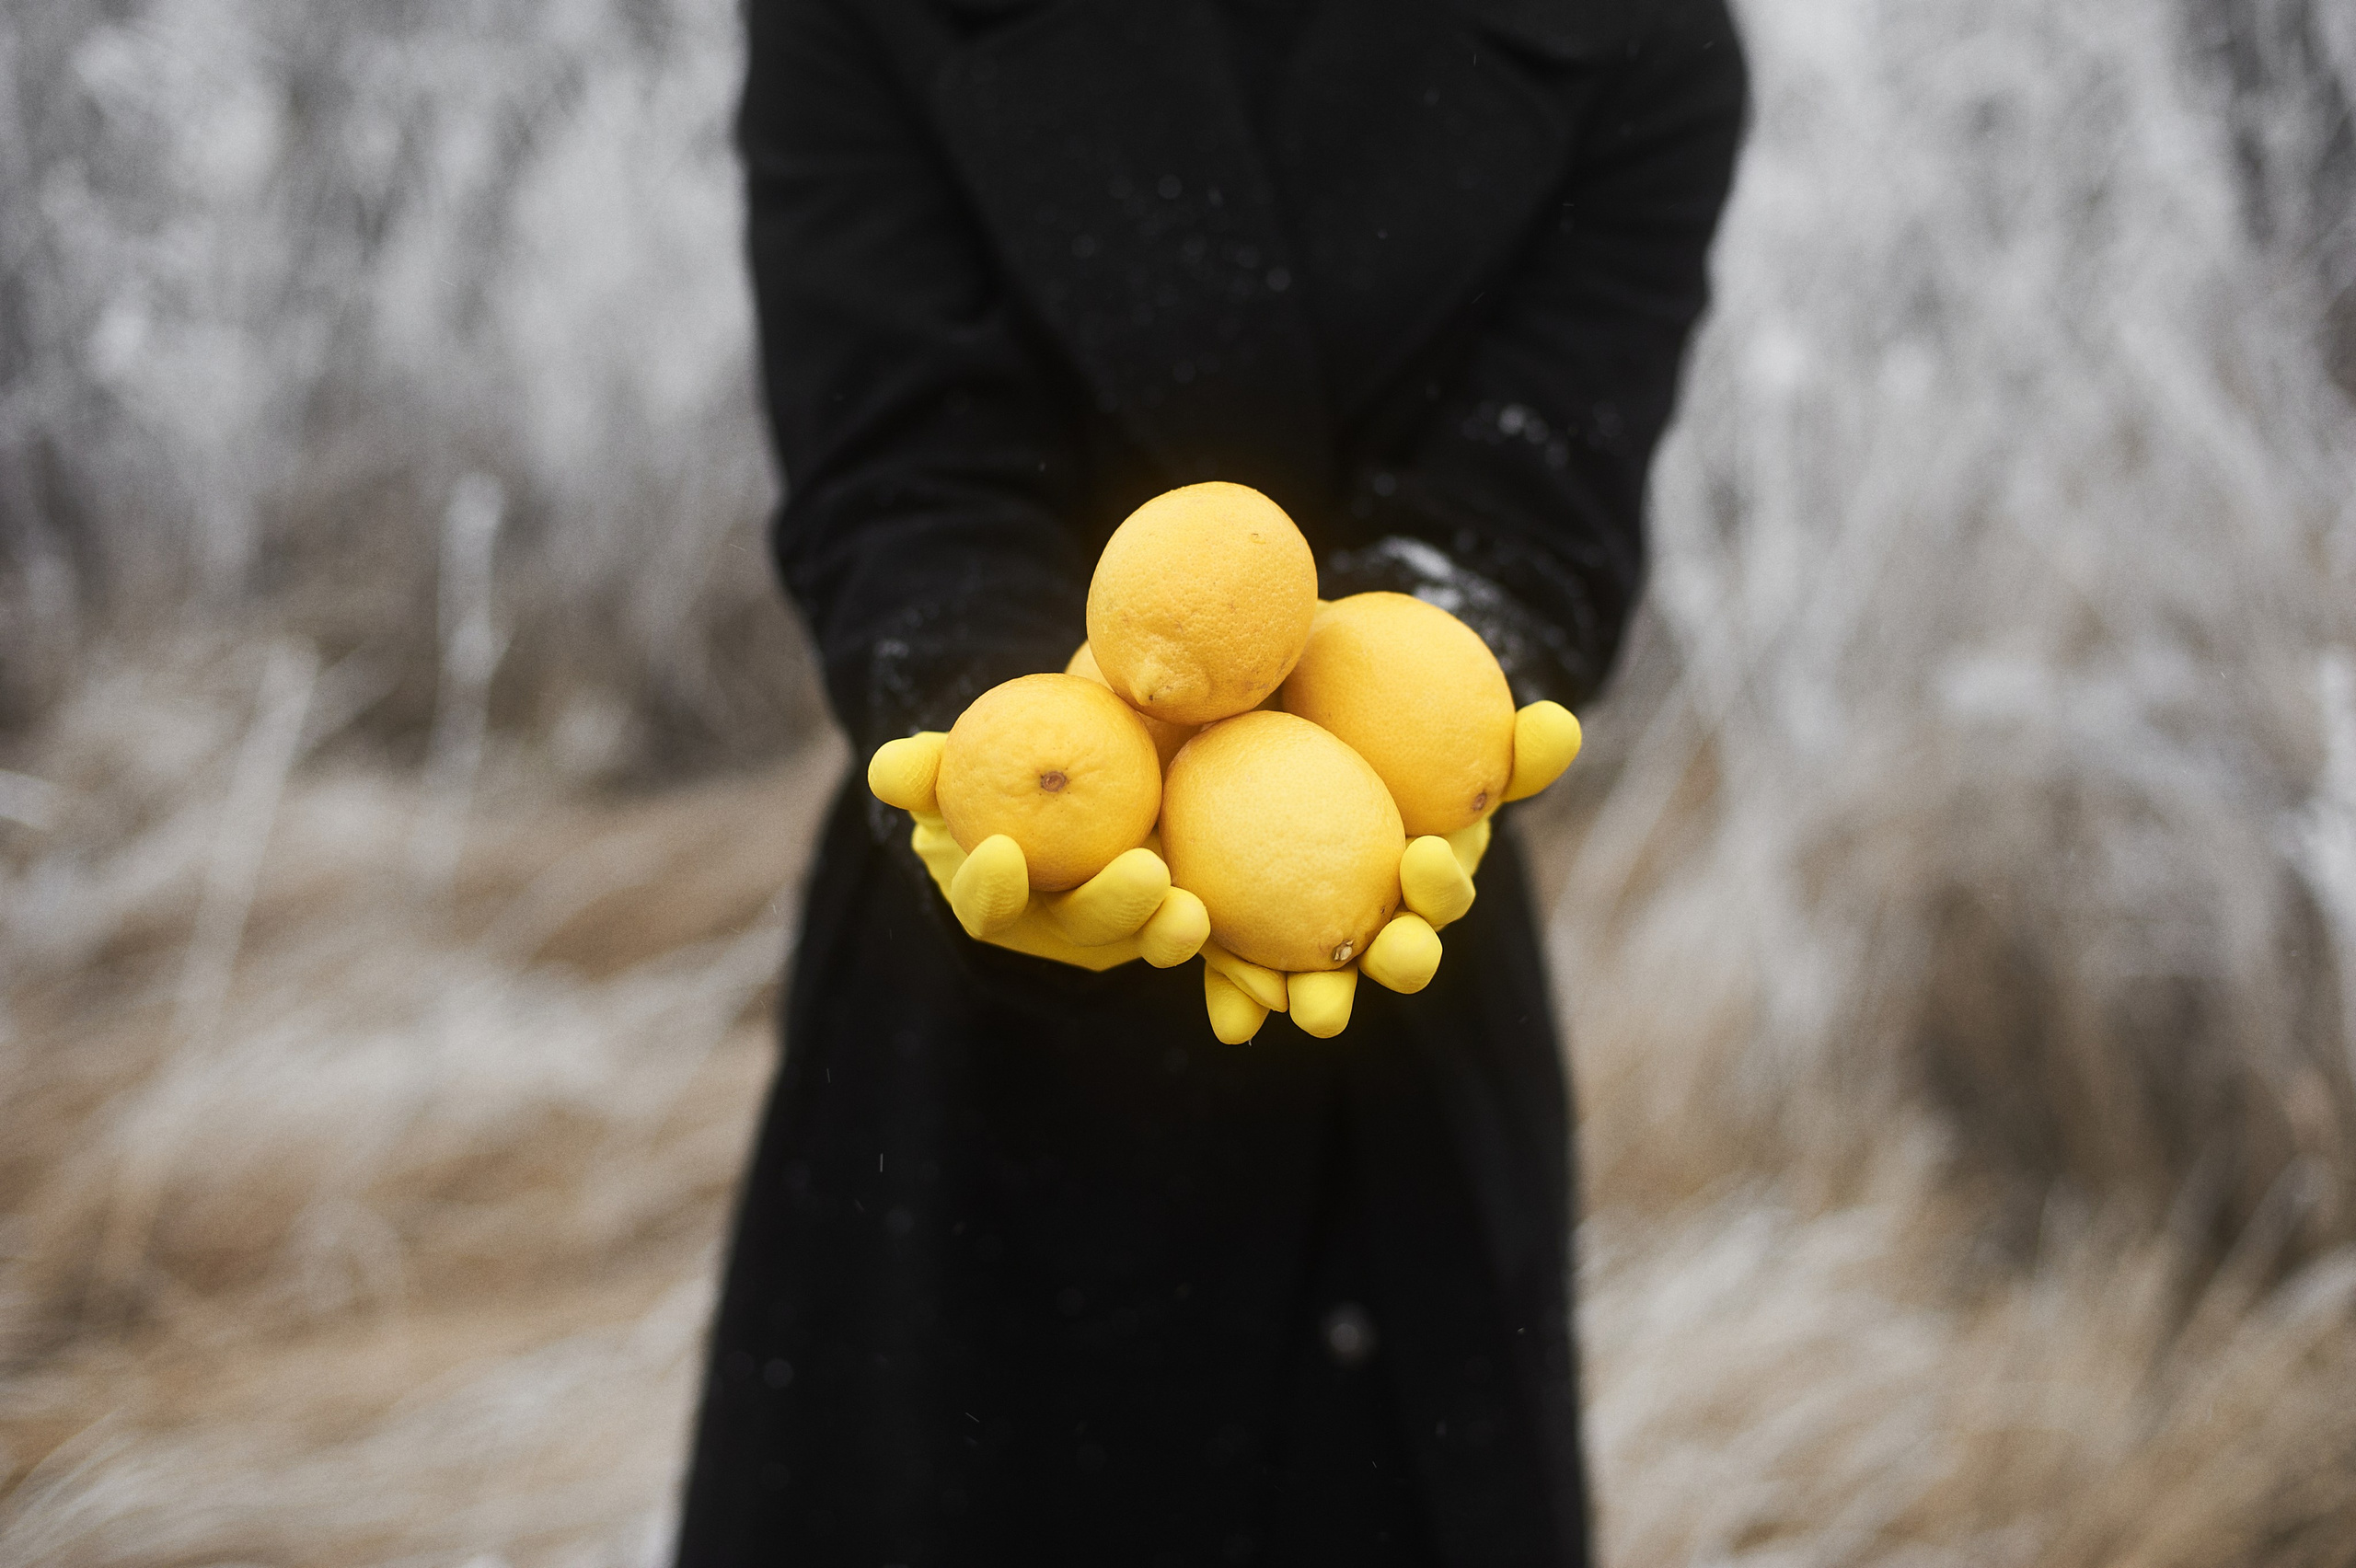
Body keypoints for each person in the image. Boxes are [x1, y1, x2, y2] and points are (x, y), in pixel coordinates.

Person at [676, 0, 1745, 1561]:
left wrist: (1431, 678)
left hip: (1387, 976)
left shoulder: (1633, 35)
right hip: (975, 991)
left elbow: (1527, 500)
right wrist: (994, 725)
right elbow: (904, 470)